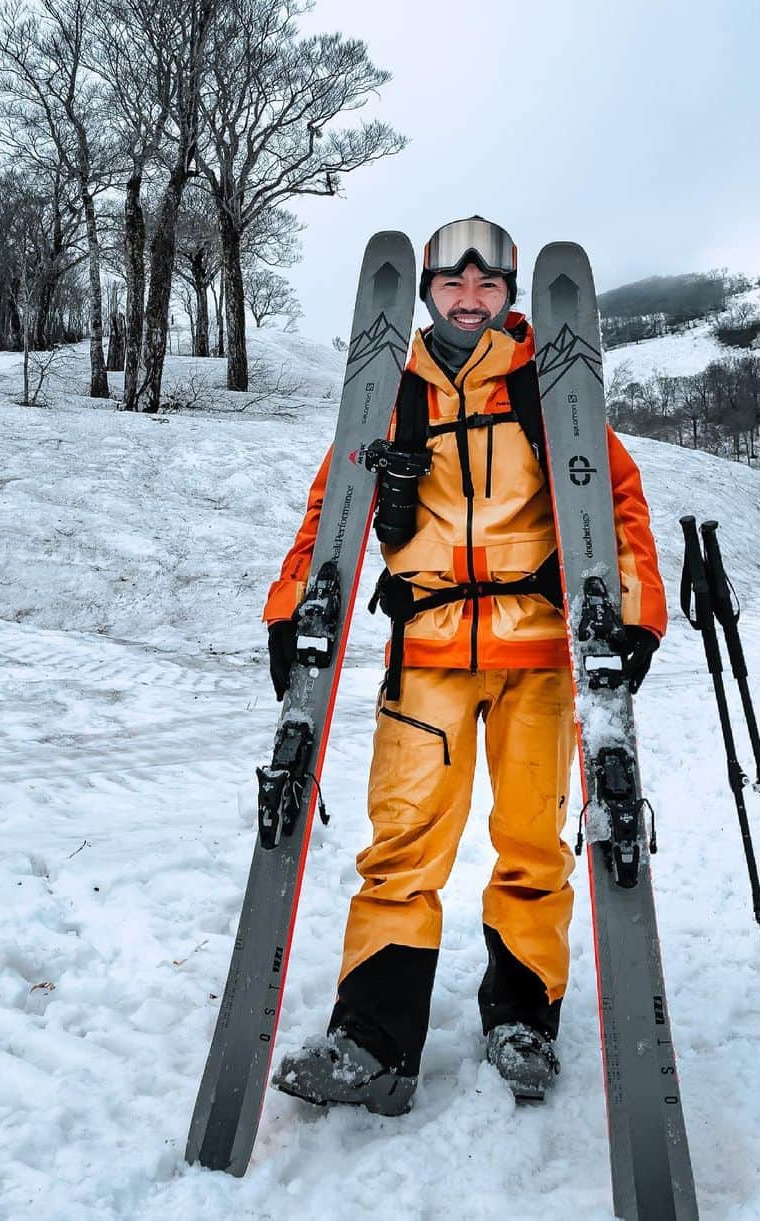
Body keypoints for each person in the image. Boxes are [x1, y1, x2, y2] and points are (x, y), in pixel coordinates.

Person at [262, 216, 666, 1113]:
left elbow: (616, 501)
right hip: (429, 653)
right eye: (454, 285)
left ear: (510, 296)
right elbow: (331, 509)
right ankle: (373, 1042)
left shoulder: (547, 387)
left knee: (531, 844)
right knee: (402, 846)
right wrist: (293, 608)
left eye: (488, 287)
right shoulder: (389, 392)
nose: (471, 300)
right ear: (429, 293)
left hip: (537, 654)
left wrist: (633, 613)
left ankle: (522, 1021)